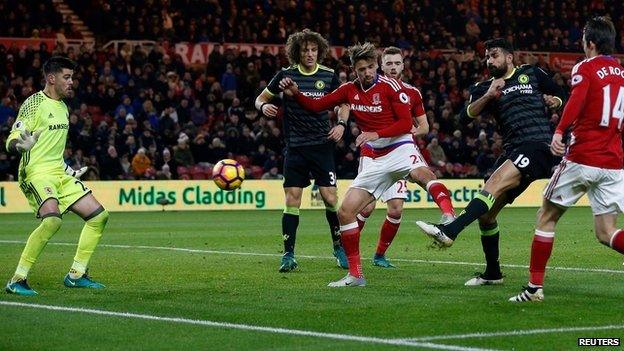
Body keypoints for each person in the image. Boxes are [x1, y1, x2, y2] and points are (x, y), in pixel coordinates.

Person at [416, 38, 567, 286]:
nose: (490, 60)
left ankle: (449, 231)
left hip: (537, 144)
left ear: (509, 57)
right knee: (487, 216)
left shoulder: (531, 73)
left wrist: (556, 101)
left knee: (494, 182)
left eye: (494, 55)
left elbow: (561, 92)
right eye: (487, 57)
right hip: (511, 149)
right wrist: (488, 95)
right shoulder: (484, 87)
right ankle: (493, 273)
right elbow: (463, 118)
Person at [280, 42, 424, 287]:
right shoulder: (350, 89)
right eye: (362, 69)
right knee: (354, 210)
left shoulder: (404, 90)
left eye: (372, 67)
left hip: (399, 150)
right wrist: (294, 93)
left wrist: (386, 135)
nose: (368, 72)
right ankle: (353, 268)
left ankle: (447, 220)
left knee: (398, 204)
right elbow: (317, 105)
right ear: (355, 70)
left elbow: (416, 125)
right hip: (371, 154)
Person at [510, 17, 624, 302]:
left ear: (591, 43)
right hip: (613, 162)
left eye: (584, 39)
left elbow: (576, 100)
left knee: (546, 217)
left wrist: (560, 131)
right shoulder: (622, 74)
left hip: (583, 156)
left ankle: (534, 289)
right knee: (606, 232)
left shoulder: (586, 67)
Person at [5, 56, 109, 296]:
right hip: (36, 173)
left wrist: (69, 170)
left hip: (58, 174)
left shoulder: (62, 107)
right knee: (52, 220)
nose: (72, 82)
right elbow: (12, 138)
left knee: (99, 216)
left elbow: (55, 151)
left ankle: (76, 275)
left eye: (72, 77)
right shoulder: (34, 103)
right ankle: (17, 279)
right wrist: (20, 146)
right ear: (51, 78)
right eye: (67, 77)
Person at [254, 29, 350, 272]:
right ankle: (288, 254)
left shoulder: (328, 75)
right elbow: (260, 99)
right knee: (292, 199)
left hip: (322, 146)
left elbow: (344, 104)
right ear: (297, 51)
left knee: (330, 198)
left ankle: (339, 247)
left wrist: (341, 123)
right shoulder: (285, 75)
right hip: (295, 146)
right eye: (305, 50)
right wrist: (264, 107)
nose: (310, 54)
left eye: (314, 50)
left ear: (319, 51)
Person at [356, 47, 456, 268]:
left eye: (397, 63)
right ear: (381, 66)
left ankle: (380, 255)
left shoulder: (412, 93)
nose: (393, 67)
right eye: (388, 63)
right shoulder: (370, 87)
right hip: (373, 153)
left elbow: (424, 127)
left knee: (396, 209)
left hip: (400, 150)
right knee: (366, 208)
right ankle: (345, 250)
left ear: (403, 65)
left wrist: (403, 132)